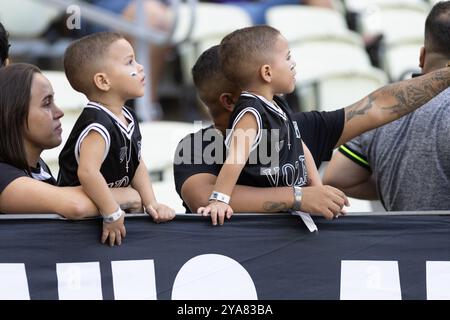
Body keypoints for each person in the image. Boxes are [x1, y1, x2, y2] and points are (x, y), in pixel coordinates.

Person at [173, 41, 450, 224]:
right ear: (230, 101)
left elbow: (378, 106)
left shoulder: (293, 126)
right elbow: (204, 198)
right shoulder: (197, 144)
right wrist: (299, 197)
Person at [195, 25, 342, 224]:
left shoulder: (277, 103)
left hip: (288, 216)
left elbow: (299, 145)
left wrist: (318, 190)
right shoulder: (250, 112)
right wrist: (219, 200)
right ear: (267, 72)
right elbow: (236, 158)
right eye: (288, 57)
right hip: (260, 222)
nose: (293, 63)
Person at [322, 1, 450, 211]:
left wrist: (397, 184)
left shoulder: (385, 106)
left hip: (400, 241)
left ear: (422, 56)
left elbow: (337, 177)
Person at [58, 32, 175, 246]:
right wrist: (111, 212)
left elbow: (136, 163)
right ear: (103, 81)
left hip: (108, 215)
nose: (139, 67)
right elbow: (87, 172)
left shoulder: (128, 115)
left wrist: (151, 203)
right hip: (77, 226)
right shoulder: (97, 123)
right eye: (129, 62)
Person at [0, 63, 142, 218]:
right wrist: (129, 196)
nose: (59, 112)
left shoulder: (38, 168)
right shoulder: (3, 173)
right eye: (47, 104)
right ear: (13, 115)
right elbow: (75, 206)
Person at [82, 0, 173, 121]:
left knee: (156, 18)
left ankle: (143, 110)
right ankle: (145, 110)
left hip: (164, 7)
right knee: (153, 18)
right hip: (97, 9)